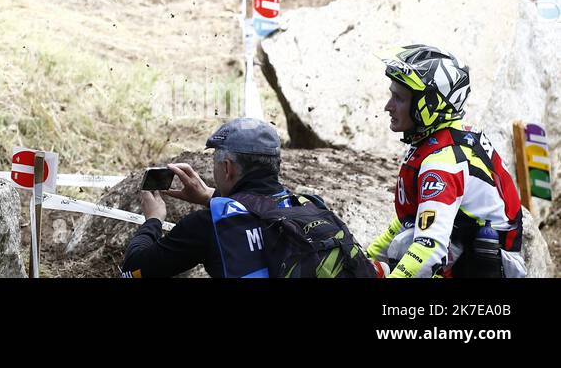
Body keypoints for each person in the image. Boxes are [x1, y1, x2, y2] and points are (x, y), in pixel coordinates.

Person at [121, 118, 369, 277]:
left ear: (227, 168)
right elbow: (261, 212)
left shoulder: (209, 226)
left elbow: (133, 271)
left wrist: (153, 220)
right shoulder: (311, 206)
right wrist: (211, 196)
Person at [368, 46, 526, 277]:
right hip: (468, 248)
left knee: (404, 247)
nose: (388, 106)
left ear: (430, 105)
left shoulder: (442, 163)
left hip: (485, 264)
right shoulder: (439, 138)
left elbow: (429, 249)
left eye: (399, 98)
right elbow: (409, 220)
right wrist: (365, 259)